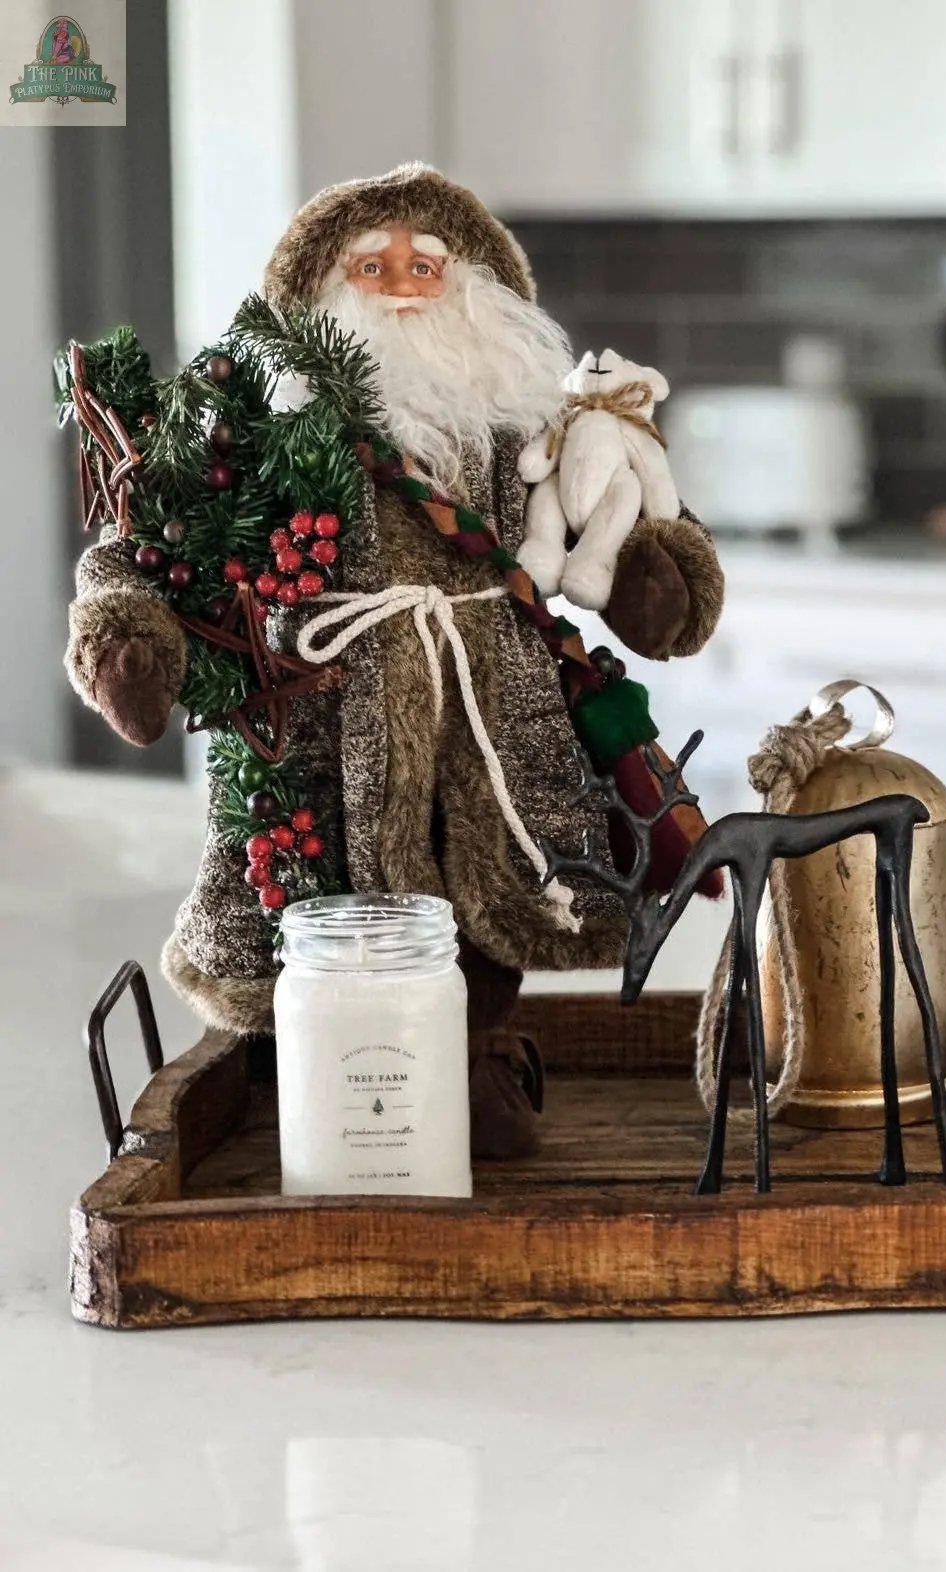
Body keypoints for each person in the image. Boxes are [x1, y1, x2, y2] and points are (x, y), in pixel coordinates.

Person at [65, 164, 725, 1157]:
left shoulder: (524, 434)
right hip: (320, 714)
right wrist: (128, 635)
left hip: (494, 715)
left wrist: (649, 574)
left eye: (429, 263)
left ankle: (470, 1065)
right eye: (370, 265)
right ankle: (330, 1086)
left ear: (481, 286)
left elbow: (627, 519)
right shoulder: (256, 436)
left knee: (485, 900)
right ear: (316, 294)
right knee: (320, 902)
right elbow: (144, 546)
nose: (404, 283)